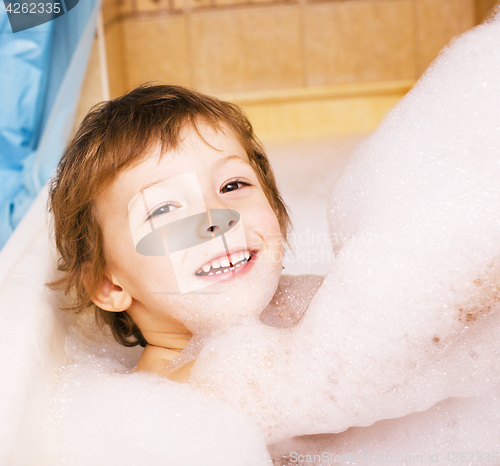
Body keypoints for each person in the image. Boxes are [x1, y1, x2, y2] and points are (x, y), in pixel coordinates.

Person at [48, 84, 323, 382]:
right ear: (109, 286)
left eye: (232, 186)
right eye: (164, 210)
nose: (215, 217)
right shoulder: (188, 386)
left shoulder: (309, 307)